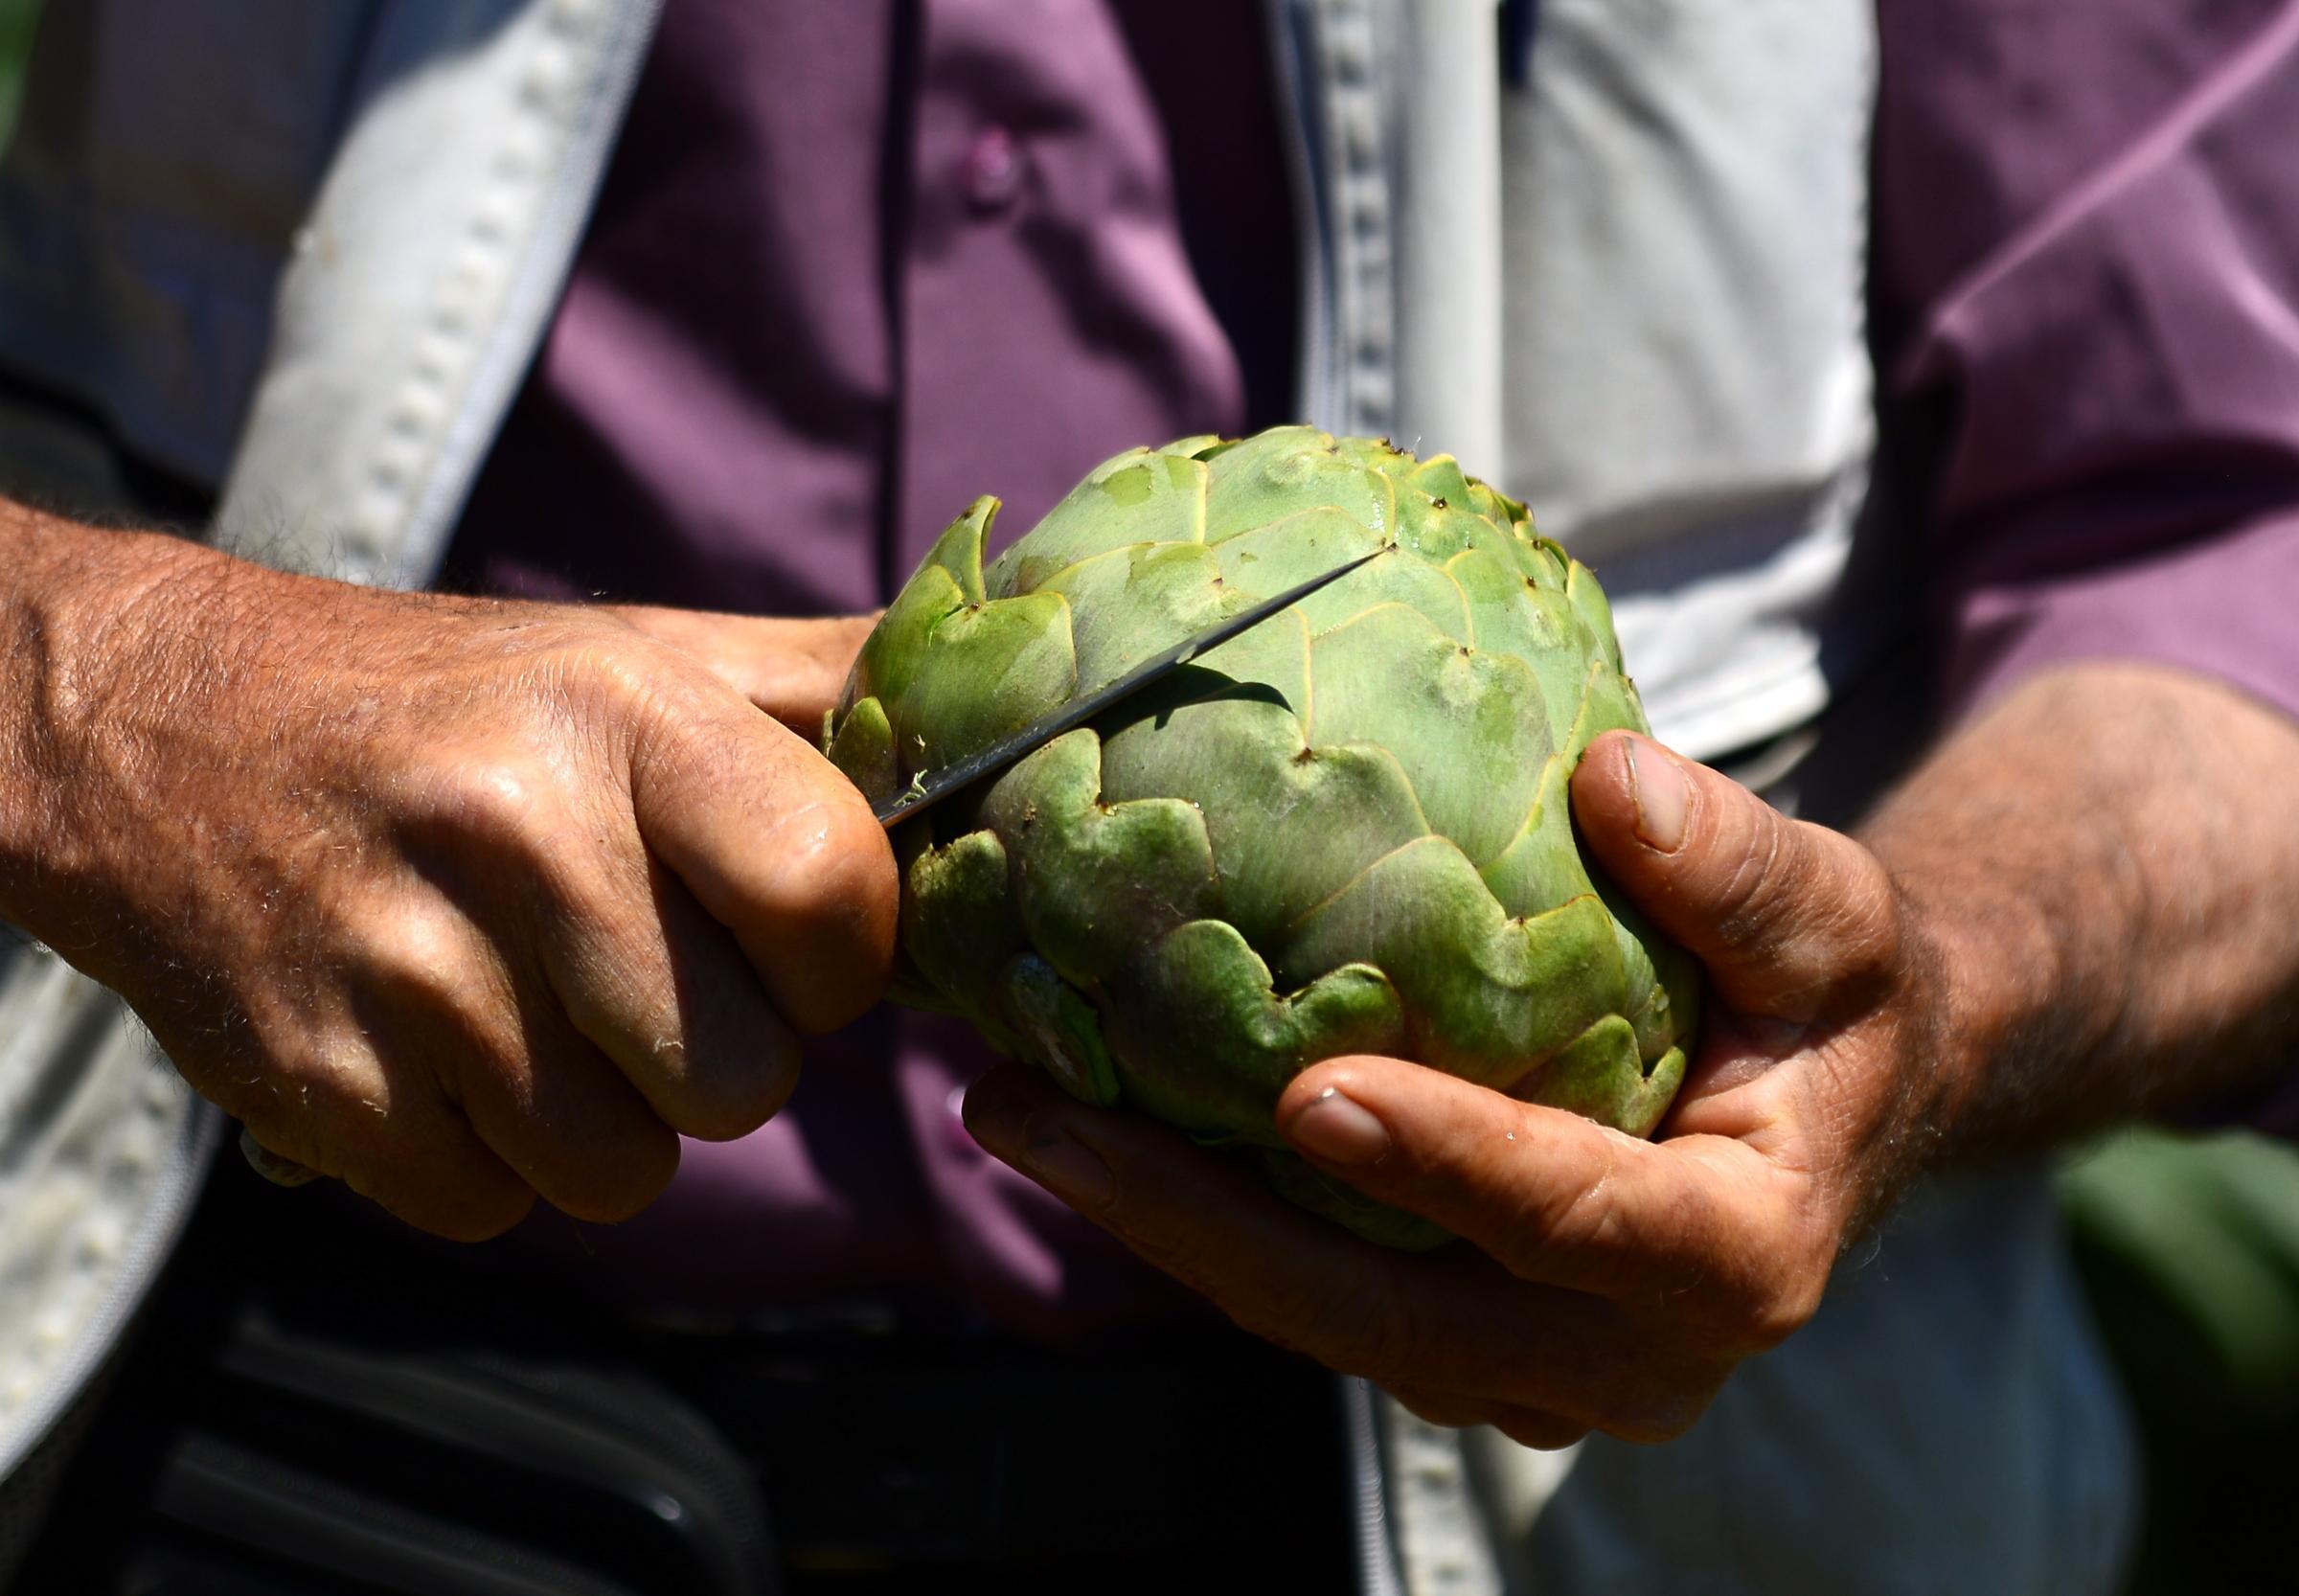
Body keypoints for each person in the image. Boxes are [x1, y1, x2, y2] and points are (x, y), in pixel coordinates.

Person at [2, 0, 2297, 1590]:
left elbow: (2225, 563)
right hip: (239, 1373)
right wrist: (83, 689)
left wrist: (1934, 996)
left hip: (1580, 1518)